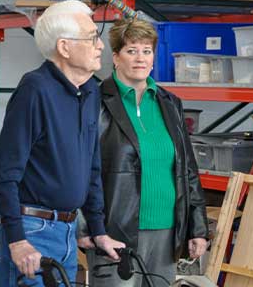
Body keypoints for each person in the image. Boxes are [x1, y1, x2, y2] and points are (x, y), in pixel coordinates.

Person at [0, 0, 125, 286]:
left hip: (68, 231)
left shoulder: (89, 91)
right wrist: (17, 241)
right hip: (32, 233)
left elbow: (92, 167)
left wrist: (97, 229)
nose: (101, 46)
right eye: (92, 38)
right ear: (64, 47)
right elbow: (3, 173)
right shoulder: (35, 90)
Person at [78, 19, 209, 286]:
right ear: (115, 57)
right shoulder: (93, 102)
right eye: (131, 50)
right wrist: (84, 228)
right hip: (114, 231)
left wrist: (198, 228)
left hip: (167, 231)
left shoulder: (170, 103)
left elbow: (187, 170)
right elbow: (76, 169)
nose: (140, 59)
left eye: (146, 51)